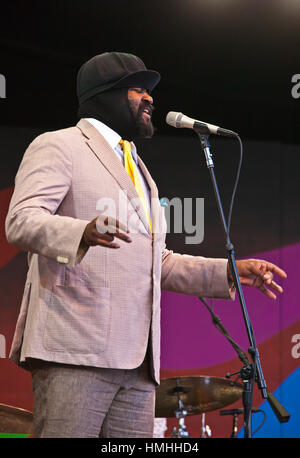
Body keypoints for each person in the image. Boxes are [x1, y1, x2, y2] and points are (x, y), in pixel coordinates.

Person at [5, 52, 287, 438]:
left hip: (139, 364)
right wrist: (80, 232)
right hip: (76, 353)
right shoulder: (60, 146)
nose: (150, 98)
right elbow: (21, 220)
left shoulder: (137, 166)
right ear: (105, 95)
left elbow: (159, 261)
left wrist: (228, 271)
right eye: (138, 89)